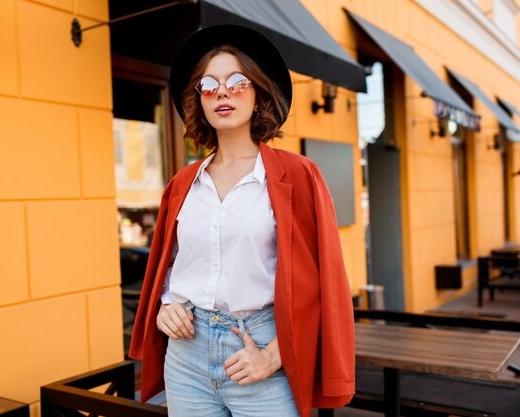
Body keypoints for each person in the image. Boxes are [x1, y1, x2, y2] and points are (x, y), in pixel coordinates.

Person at [129, 24, 355, 417]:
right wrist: (166, 303)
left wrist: (274, 356)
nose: (221, 92)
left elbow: (323, 282)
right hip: (187, 356)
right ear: (198, 99)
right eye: (208, 84)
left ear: (258, 93)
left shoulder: (297, 176)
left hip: (260, 347)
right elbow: (171, 264)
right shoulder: (183, 184)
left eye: (236, 81)